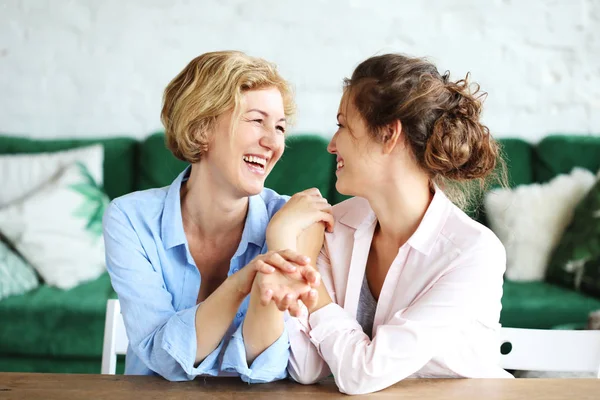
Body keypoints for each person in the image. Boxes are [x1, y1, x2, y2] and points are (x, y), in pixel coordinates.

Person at [280, 53, 513, 395]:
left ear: (389, 134)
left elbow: (362, 374)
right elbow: (305, 367)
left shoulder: (472, 252)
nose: (332, 144)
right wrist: (285, 241)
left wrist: (314, 297)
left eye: (343, 125)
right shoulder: (337, 225)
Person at [102, 51, 333, 383]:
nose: (272, 142)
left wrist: (278, 238)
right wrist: (243, 282)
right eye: (256, 120)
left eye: (280, 127)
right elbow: (163, 360)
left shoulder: (293, 221)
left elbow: (266, 368)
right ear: (202, 127)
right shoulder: (130, 219)